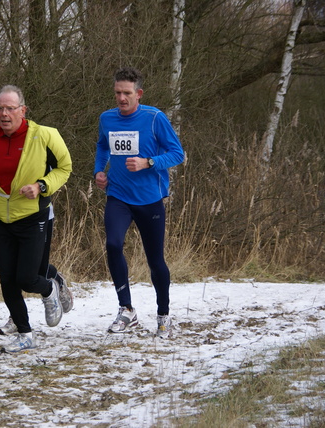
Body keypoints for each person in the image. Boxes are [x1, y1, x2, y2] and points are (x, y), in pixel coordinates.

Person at [0, 85, 73, 352]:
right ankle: (25, 334)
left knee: (27, 277)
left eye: (10, 108)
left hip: (34, 214)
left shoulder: (45, 135)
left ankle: (50, 288)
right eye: (0, 108)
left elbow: (65, 167)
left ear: (22, 110)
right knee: (7, 278)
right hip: (2, 216)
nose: (4, 113)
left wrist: (42, 185)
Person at [93, 67, 185, 337]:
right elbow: (102, 145)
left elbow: (177, 153)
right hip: (118, 195)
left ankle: (163, 315)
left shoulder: (154, 118)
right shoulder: (106, 118)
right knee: (112, 244)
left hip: (149, 199)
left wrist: (150, 162)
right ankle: (126, 309)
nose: (121, 98)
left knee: (155, 260)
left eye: (127, 93)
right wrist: (100, 170)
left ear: (139, 94)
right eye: (117, 93)